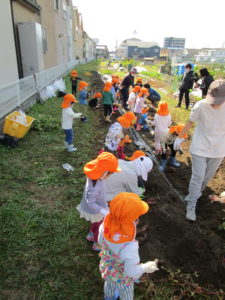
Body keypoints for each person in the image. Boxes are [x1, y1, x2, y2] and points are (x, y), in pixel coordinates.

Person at [174, 80, 225, 221]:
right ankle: (191, 205)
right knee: (197, 177)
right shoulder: (201, 106)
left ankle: (194, 194)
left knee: (206, 177)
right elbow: (190, 123)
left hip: (219, 150)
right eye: (212, 101)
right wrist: (179, 138)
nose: (214, 104)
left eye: (218, 102)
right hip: (200, 148)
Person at [98, 192, 159, 300]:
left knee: (110, 283)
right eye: (136, 217)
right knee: (126, 293)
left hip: (108, 267)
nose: (137, 219)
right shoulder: (129, 247)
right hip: (122, 277)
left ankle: (108, 297)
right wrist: (145, 267)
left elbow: (100, 241)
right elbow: (130, 272)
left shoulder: (106, 224)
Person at [77, 152, 121, 251]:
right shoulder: (95, 186)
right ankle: (97, 242)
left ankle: (91, 234)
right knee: (101, 226)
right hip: (96, 209)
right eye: (110, 173)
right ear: (104, 172)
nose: (111, 175)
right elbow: (91, 202)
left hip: (97, 206)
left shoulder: (94, 176)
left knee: (96, 222)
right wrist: (103, 211)